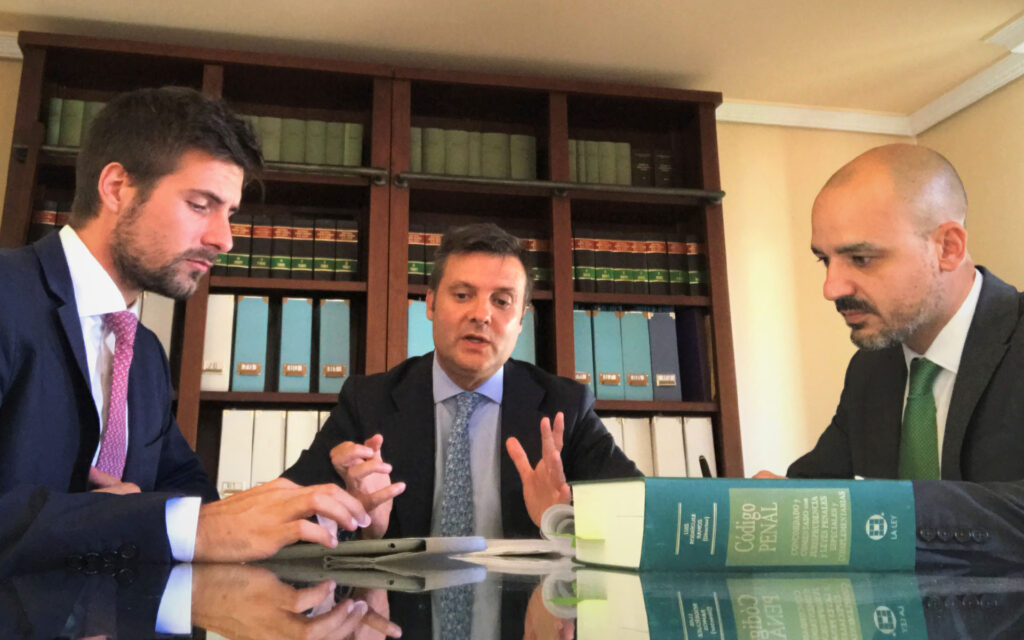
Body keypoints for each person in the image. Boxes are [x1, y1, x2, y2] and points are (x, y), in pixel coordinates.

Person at [0, 87, 402, 576]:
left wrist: (331, 506)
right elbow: (181, 524)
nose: (224, 239)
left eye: (229, 213)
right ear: (117, 188)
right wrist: (132, 520)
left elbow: (195, 504)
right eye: (199, 205)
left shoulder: (142, 352)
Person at [284, 222, 640, 539]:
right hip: (396, 595)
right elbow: (289, 514)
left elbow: (641, 518)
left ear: (521, 320)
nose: (481, 315)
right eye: (462, 295)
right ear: (430, 304)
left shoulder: (564, 407)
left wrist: (561, 521)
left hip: (529, 596)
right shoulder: (368, 402)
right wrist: (359, 524)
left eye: (502, 301)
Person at [754, 143, 1024, 482]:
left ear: (948, 248)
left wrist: (894, 505)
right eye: (825, 260)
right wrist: (781, 499)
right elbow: (819, 486)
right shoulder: (871, 369)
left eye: (861, 259)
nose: (831, 288)